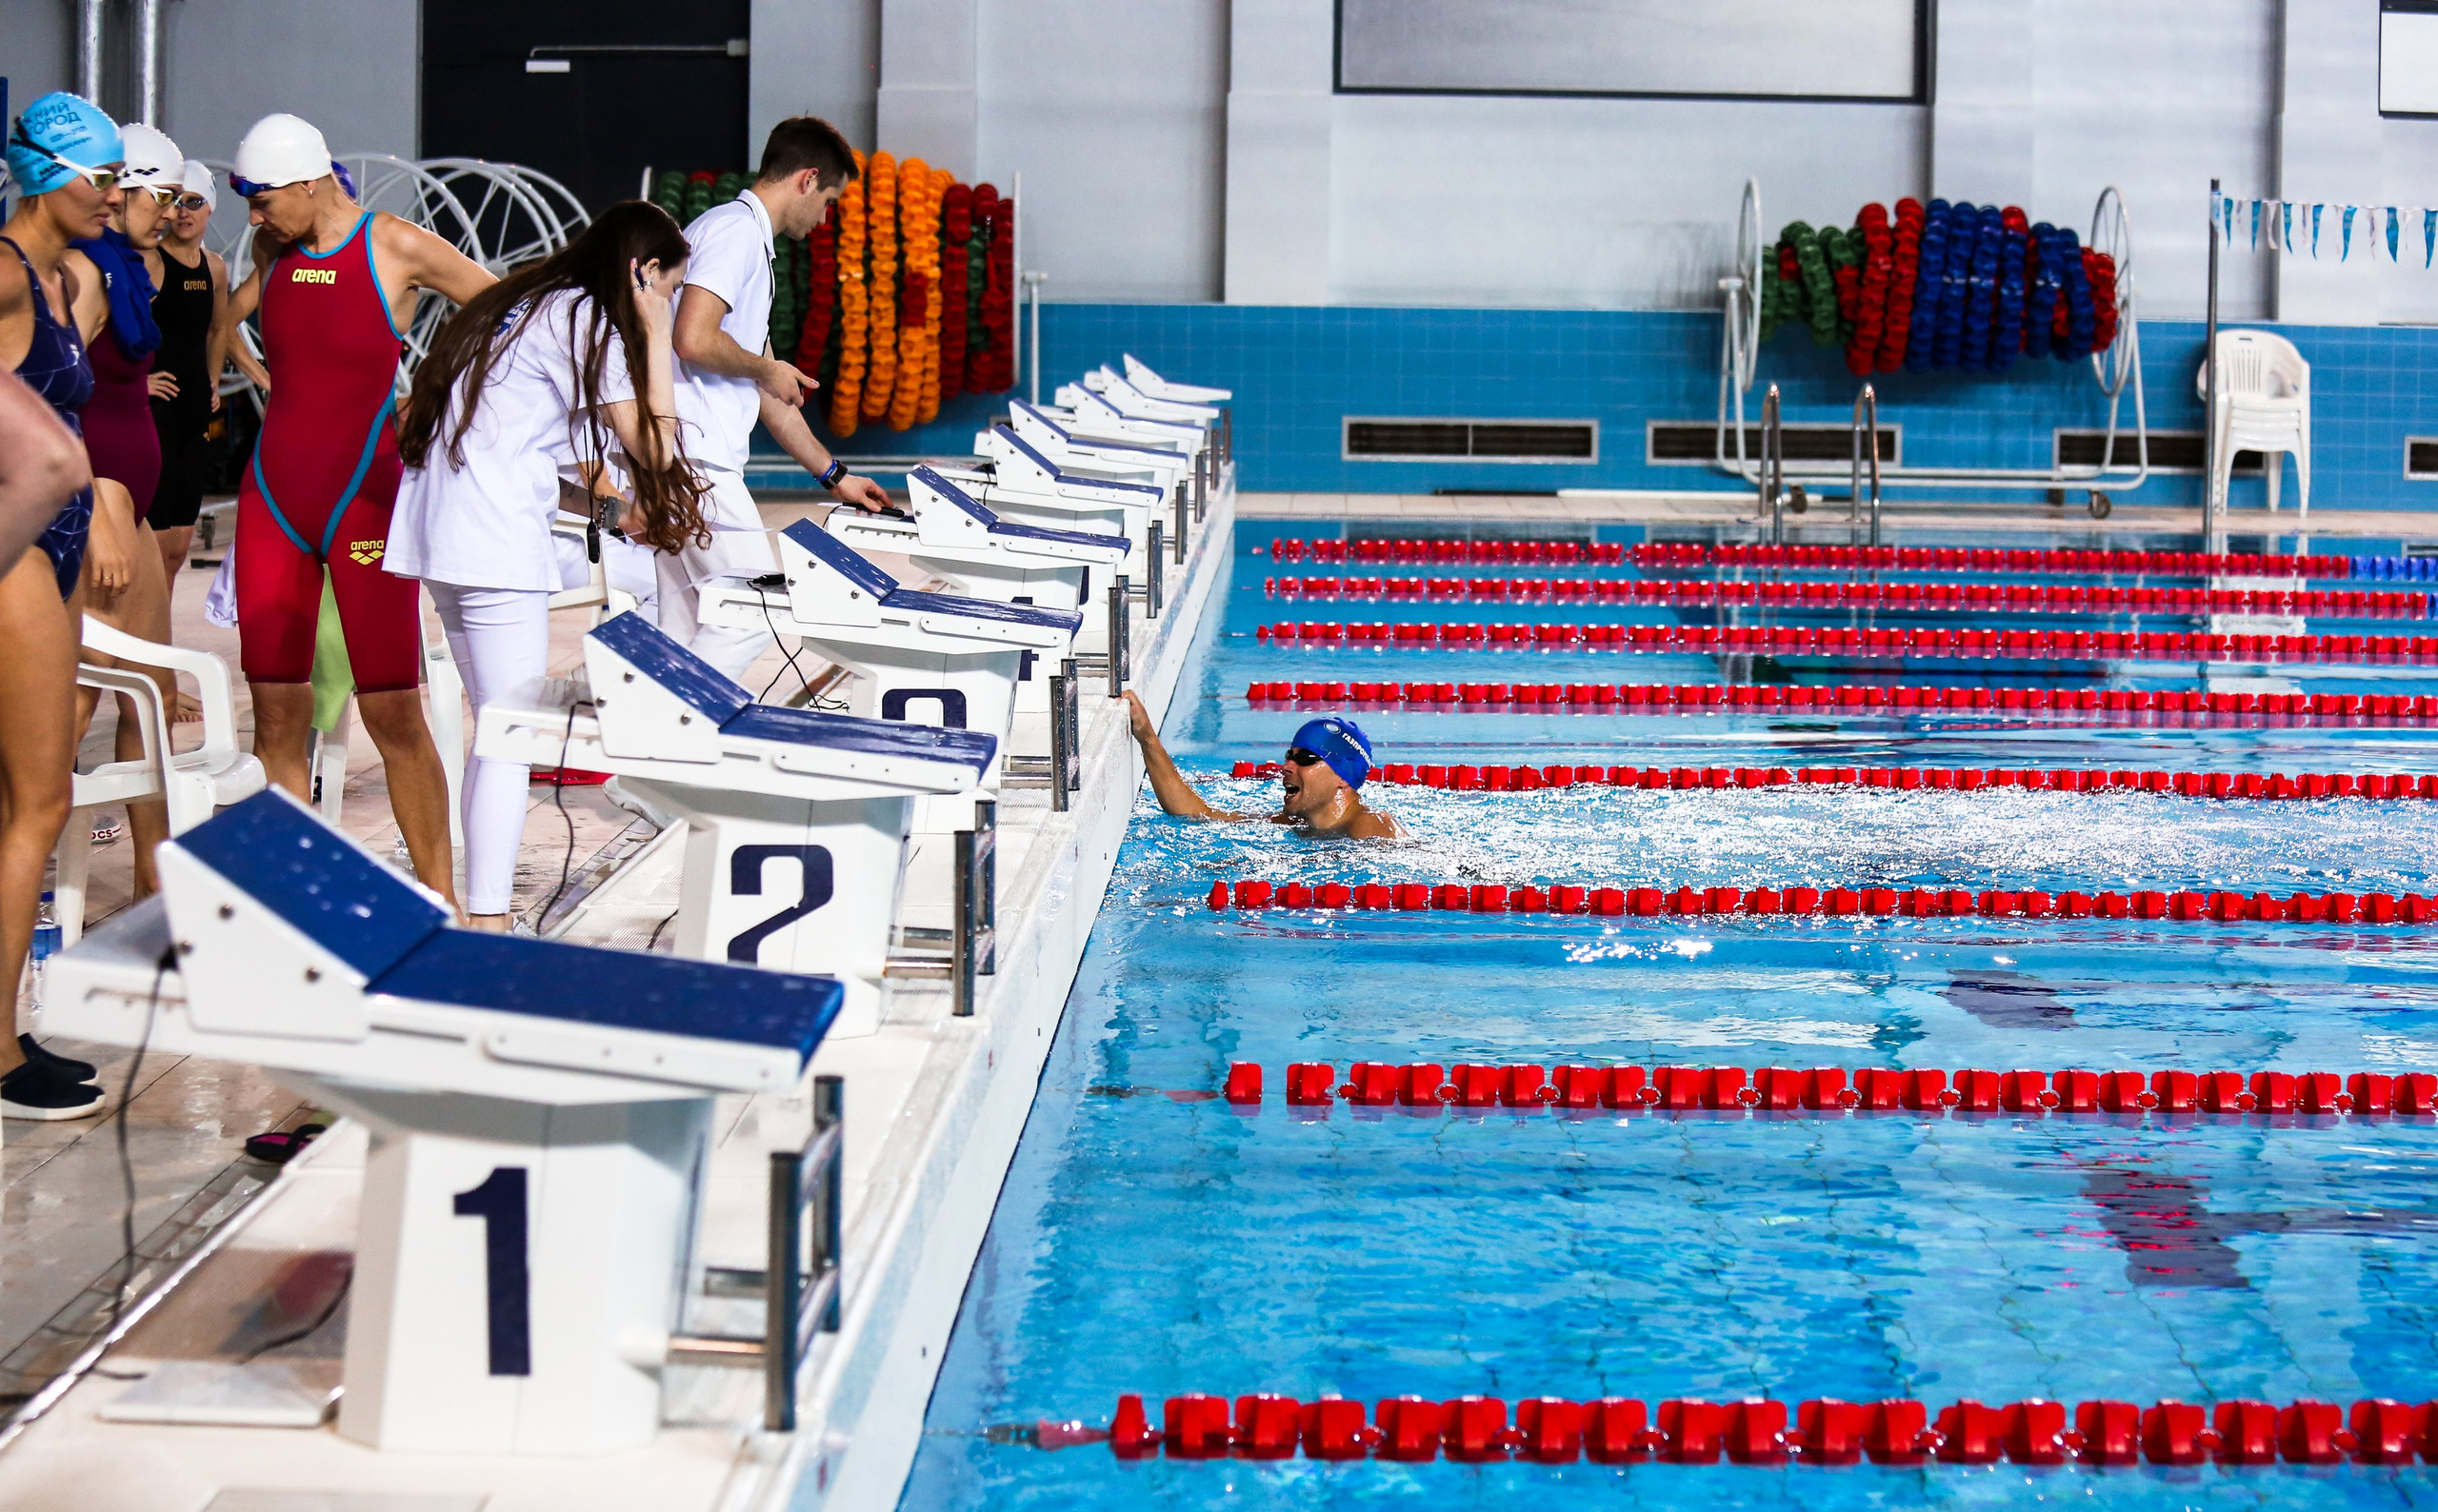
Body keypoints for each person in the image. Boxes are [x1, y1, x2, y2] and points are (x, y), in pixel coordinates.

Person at [390, 201, 708, 931]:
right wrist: (657, 335)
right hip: (490, 544)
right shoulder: (586, 318)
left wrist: (614, 516)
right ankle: (489, 924)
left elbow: (525, 459)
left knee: (494, 729)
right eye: (665, 289)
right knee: (511, 737)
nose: (665, 305)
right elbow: (656, 448)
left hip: (444, 535)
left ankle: (484, 913)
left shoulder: (516, 303)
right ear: (641, 273)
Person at [217, 112, 495, 906]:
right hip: (274, 498)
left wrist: (435, 390)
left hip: (363, 500)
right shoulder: (272, 250)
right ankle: (290, 903)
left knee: (393, 711)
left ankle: (441, 903)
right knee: (275, 713)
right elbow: (226, 319)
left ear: (311, 183)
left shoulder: (395, 245)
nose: (254, 218)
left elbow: (505, 307)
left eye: (263, 199)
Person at [664, 114, 890, 681]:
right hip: (695, 459)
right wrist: (766, 366)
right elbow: (692, 338)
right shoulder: (735, 232)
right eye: (829, 202)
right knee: (752, 616)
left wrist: (835, 476)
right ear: (807, 179)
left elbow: (767, 394)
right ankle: (661, 718)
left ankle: (654, 730)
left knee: (683, 629)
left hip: (683, 454)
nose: (825, 218)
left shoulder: (749, 243)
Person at [0, 90, 123, 1116]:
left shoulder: (62, 279)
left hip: (58, 551)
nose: (115, 196)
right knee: (37, 803)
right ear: (49, 174)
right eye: (104, 177)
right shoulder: (2, 273)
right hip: (17, 561)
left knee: (23, 803)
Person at [71, 122, 186, 889]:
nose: (172, 213)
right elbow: (44, 395)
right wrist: (96, 508)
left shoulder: (126, 271)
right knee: (73, 706)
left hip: (128, 508)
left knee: (154, 698)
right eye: (164, 197)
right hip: (96, 509)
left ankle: (153, 882)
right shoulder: (84, 273)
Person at [148, 157, 247, 589]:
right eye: (176, 202)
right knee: (151, 546)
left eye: (194, 201)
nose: (183, 212)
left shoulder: (215, 267)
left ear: (210, 207)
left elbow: (219, 328)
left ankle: (160, 628)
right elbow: (107, 329)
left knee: (177, 549)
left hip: (193, 411)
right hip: (155, 411)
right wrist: (136, 382)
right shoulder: (149, 261)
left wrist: (213, 380)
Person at [1125, 692, 1400, 839]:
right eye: (1289, 756)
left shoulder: (1371, 826)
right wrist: (1148, 738)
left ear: (1342, 776)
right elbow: (1200, 815)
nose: (1286, 767)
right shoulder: (1297, 823)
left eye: (1305, 759)